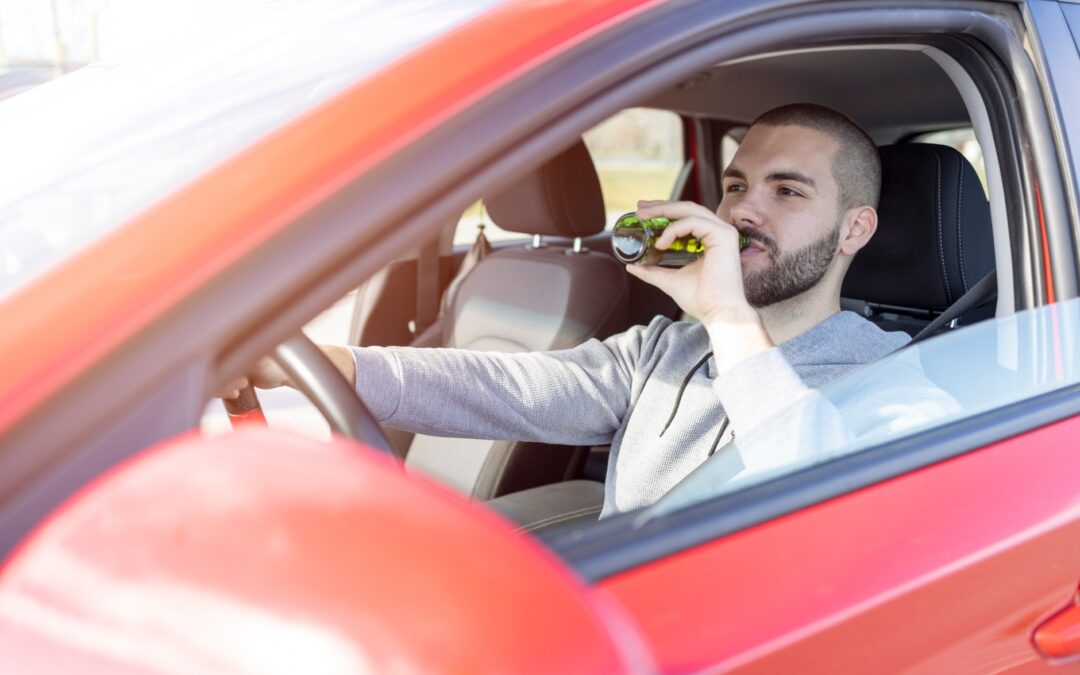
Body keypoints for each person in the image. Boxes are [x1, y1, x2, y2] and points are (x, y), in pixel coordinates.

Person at [221, 103, 956, 518]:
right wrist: (331, 365)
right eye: (736, 186)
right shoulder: (666, 346)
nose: (746, 211)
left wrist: (730, 316)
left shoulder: (899, 381)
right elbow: (510, 388)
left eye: (788, 192)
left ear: (855, 229)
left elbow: (810, 487)